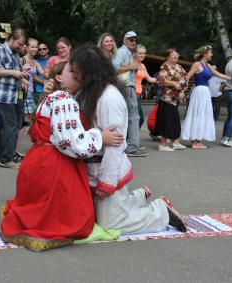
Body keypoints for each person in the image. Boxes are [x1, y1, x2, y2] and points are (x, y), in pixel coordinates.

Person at [0, 61, 124, 251]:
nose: (77, 73)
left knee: (36, 206)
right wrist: (101, 136)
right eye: (71, 71)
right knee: (74, 217)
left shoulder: (51, 98)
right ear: (58, 78)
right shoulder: (64, 99)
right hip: (53, 165)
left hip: (37, 160)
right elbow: (71, 142)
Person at [70, 45, 187, 238]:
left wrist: (106, 183)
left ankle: (160, 211)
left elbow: (115, 146)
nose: (75, 76)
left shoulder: (108, 98)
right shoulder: (87, 94)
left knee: (111, 223)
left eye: (76, 72)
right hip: (92, 169)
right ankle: (139, 196)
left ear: (88, 72)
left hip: (108, 169)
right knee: (98, 217)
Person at [0, 28, 29, 169]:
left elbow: (16, 74)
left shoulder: (15, 55)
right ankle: (6, 159)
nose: (21, 47)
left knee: (2, 127)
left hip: (11, 96)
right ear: (11, 39)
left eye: (23, 45)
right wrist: (14, 73)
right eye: (20, 43)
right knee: (11, 127)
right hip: (1, 96)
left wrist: (22, 78)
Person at [181, 45, 231, 149]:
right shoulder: (197, 64)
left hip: (206, 92)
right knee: (198, 113)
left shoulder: (208, 65)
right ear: (204, 54)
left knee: (203, 114)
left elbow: (219, 75)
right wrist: (182, 89)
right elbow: (187, 76)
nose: (212, 54)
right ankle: (195, 141)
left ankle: (197, 139)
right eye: (210, 53)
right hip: (199, 91)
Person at [112, 31, 147, 157]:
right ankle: (131, 147)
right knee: (133, 117)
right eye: (130, 39)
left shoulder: (128, 52)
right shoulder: (123, 52)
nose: (133, 42)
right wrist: (130, 67)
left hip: (126, 86)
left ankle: (128, 145)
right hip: (126, 86)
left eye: (135, 40)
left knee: (130, 117)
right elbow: (113, 68)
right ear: (124, 40)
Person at [15, 38, 44, 157]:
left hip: (30, 94)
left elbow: (44, 74)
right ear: (26, 47)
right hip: (23, 94)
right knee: (24, 122)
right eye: (32, 47)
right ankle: (14, 149)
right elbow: (16, 75)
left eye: (36, 47)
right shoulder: (22, 60)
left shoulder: (35, 62)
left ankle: (13, 148)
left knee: (26, 122)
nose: (35, 49)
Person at [155, 48, 188, 152]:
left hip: (176, 98)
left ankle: (176, 142)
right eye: (173, 54)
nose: (176, 56)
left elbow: (185, 77)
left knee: (175, 121)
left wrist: (183, 84)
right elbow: (160, 80)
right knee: (167, 121)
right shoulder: (165, 66)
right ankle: (162, 144)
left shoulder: (179, 67)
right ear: (168, 57)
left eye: (177, 54)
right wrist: (173, 83)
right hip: (167, 98)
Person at [134, 44, 157, 129]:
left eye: (144, 53)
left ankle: (132, 140)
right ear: (134, 53)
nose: (142, 55)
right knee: (138, 120)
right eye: (140, 53)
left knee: (139, 120)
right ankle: (131, 140)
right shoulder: (131, 64)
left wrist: (162, 79)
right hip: (132, 94)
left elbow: (150, 79)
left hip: (138, 96)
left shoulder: (142, 66)